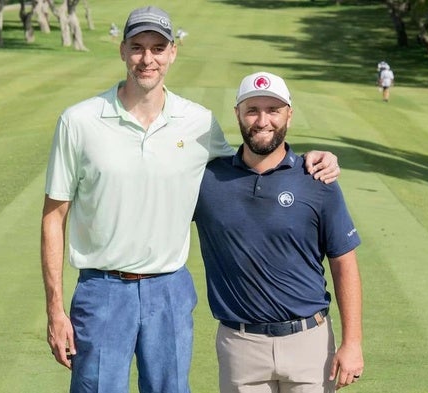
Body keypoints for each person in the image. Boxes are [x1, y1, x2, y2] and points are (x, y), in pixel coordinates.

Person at [41, 6, 341, 393]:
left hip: (169, 289)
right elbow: (54, 217)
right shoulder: (78, 121)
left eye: (157, 48)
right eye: (137, 47)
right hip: (102, 290)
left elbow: (246, 163)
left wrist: (307, 161)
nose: (147, 59)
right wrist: (54, 309)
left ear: (172, 53)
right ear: (122, 52)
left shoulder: (197, 122)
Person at [194, 71, 363, 392]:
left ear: (289, 114)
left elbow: (345, 263)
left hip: (310, 344)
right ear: (237, 115)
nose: (262, 120)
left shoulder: (317, 178)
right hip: (240, 346)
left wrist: (352, 343)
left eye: (273, 110)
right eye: (252, 110)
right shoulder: (207, 180)